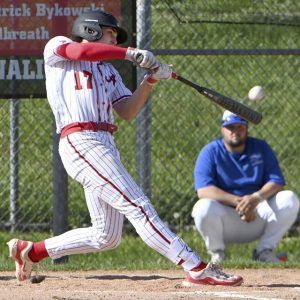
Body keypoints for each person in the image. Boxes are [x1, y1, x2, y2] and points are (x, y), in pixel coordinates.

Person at [7, 10, 243, 286]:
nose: (115, 41)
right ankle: (195, 266)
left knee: (107, 235)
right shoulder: (57, 50)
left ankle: (31, 251)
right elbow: (81, 53)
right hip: (81, 140)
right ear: (91, 31)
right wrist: (130, 53)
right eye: (111, 33)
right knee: (138, 206)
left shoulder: (108, 72)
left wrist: (151, 79)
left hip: (104, 143)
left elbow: (127, 111)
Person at [192, 110, 300, 264]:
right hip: (225, 219)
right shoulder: (210, 151)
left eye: (240, 127)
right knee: (202, 207)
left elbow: (277, 182)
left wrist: (255, 199)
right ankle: (218, 254)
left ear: (247, 128)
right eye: (230, 127)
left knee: (289, 199)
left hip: (256, 216)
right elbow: (203, 190)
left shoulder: (260, 147)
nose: (235, 131)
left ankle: (264, 251)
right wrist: (241, 203)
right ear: (222, 128)